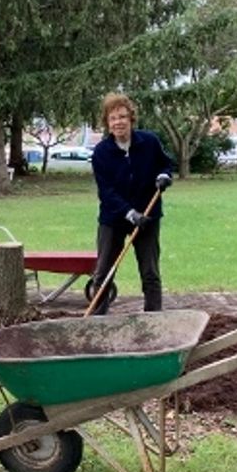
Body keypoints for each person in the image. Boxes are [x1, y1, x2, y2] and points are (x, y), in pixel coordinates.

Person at [89, 93, 174, 314]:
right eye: (113, 118)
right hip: (113, 219)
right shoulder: (101, 153)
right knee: (104, 272)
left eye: (122, 117)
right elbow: (106, 192)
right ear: (107, 123)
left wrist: (164, 175)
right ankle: (98, 320)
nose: (118, 122)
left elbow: (165, 164)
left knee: (150, 272)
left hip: (148, 216)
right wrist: (129, 213)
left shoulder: (150, 142)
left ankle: (153, 318)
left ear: (131, 119)